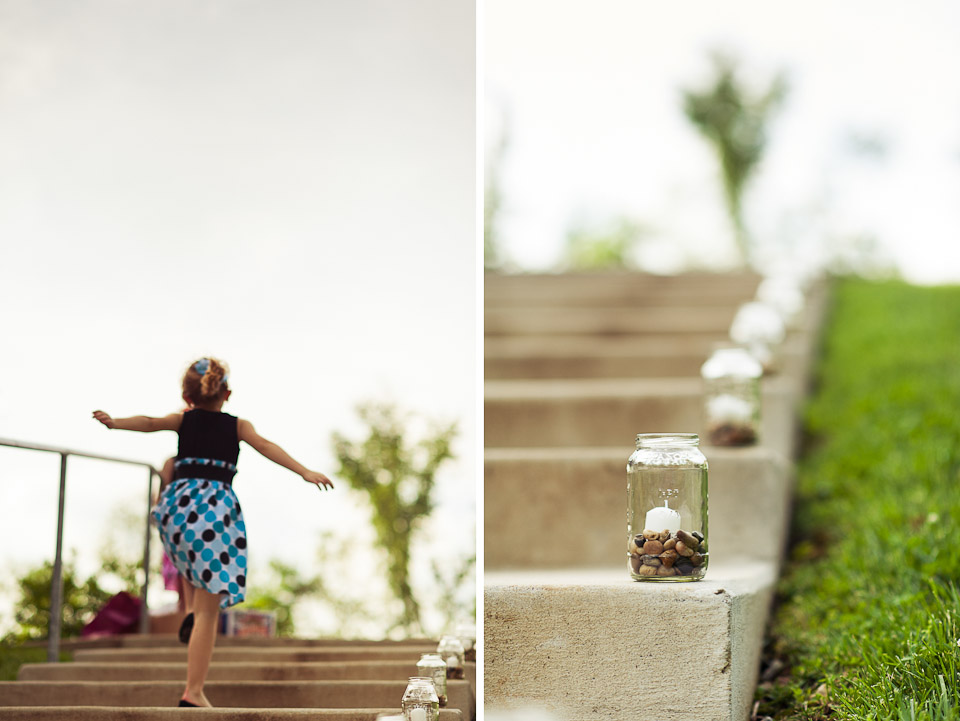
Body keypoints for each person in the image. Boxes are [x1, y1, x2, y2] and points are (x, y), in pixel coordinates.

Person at [93, 357, 334, 707]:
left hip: (176, 513)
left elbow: (149, 422)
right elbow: (266, 446)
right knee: (211, 608)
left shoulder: (182, 419)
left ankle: (190, 613)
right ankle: (193, 691)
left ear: (187, 397)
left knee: (192, 562)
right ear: (227, 393)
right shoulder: (238, 426)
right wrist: (304, 471)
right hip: (212, 513)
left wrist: (116, 423)